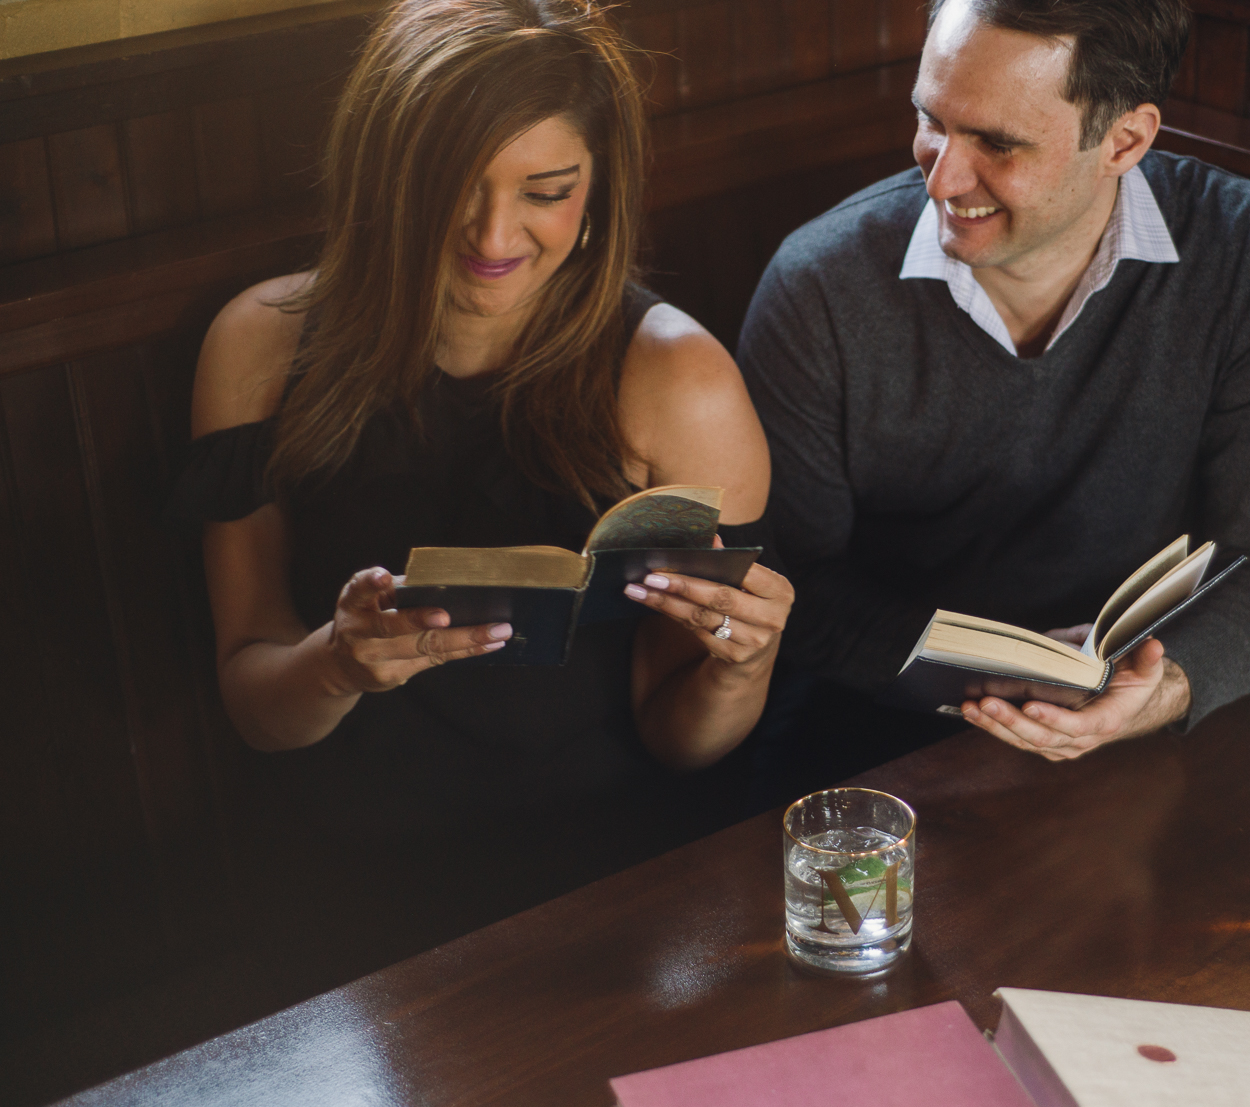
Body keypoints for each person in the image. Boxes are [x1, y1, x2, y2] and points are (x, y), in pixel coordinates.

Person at [170, 0, 791, 973]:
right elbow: (254, 701)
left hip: (618, 876)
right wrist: (340, 660)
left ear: (596, 191)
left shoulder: (679, 381)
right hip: (348, 884)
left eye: (546, 190)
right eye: (453, 186)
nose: (493, 232)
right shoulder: (262, 341)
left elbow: (683, 743)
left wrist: (741, 666)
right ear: (386, 176)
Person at [739, 0, 1250, 792]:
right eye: (931, 119)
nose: (943, 175)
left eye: (997, 142)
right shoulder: (819, 284)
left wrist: (1159, 693)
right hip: (877, 748)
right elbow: (792, 588)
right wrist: (994, 686)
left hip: (1138, 741)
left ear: (1124, 140)